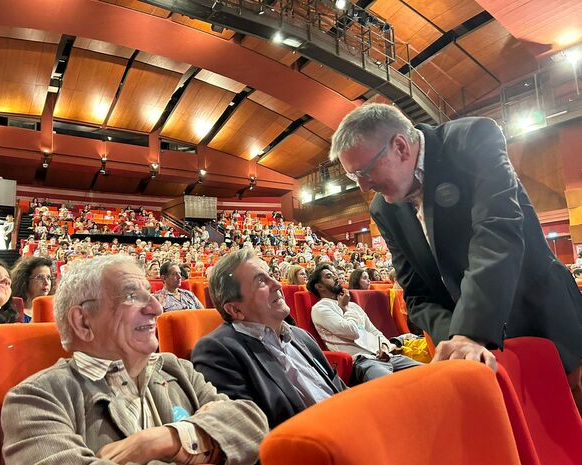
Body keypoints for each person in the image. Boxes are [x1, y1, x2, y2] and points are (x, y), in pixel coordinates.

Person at [330, 103, 582, 398]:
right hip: (480, 353)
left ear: (400, 146)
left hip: (545, 324)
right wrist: (458, 337)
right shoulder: (383, 209)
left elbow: (497, 234)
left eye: (364, 171)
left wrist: (471, 332)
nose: (362, 186)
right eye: (353, 176)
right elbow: (417, 295)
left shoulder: (472, 139)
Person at [0, 255, 267, 465]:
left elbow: (252, 424)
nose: (156, 309)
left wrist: (164, 440)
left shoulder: (176, 368)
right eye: (131, 296)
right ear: (83, 321)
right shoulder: (35, 399)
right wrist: (206, 445)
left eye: (149, 295)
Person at [192, 249, 345, 429]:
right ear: (235, 310)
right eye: (261, 282)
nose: (277, 285)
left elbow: (341, 391)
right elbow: (246, 434)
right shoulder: (217, 352)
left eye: (270, 275)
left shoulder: (301, 336)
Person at [308, 263, 421, 383]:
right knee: (394, 384)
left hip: (384, 356)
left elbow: (373, 331)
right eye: (329, 276)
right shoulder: (320, 309)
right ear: (319, 286)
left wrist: (384, 347)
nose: (336, 277)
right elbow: (352, 332)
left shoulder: (353, 306)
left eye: (335, 274)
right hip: (362, 362)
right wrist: (345, 308)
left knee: (429, 372)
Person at [10, 256, 53, 323]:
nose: (46, 282)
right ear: (25, 280)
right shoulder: (13, 312)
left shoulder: (53, 310)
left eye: (48, 277)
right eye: (39, 277)